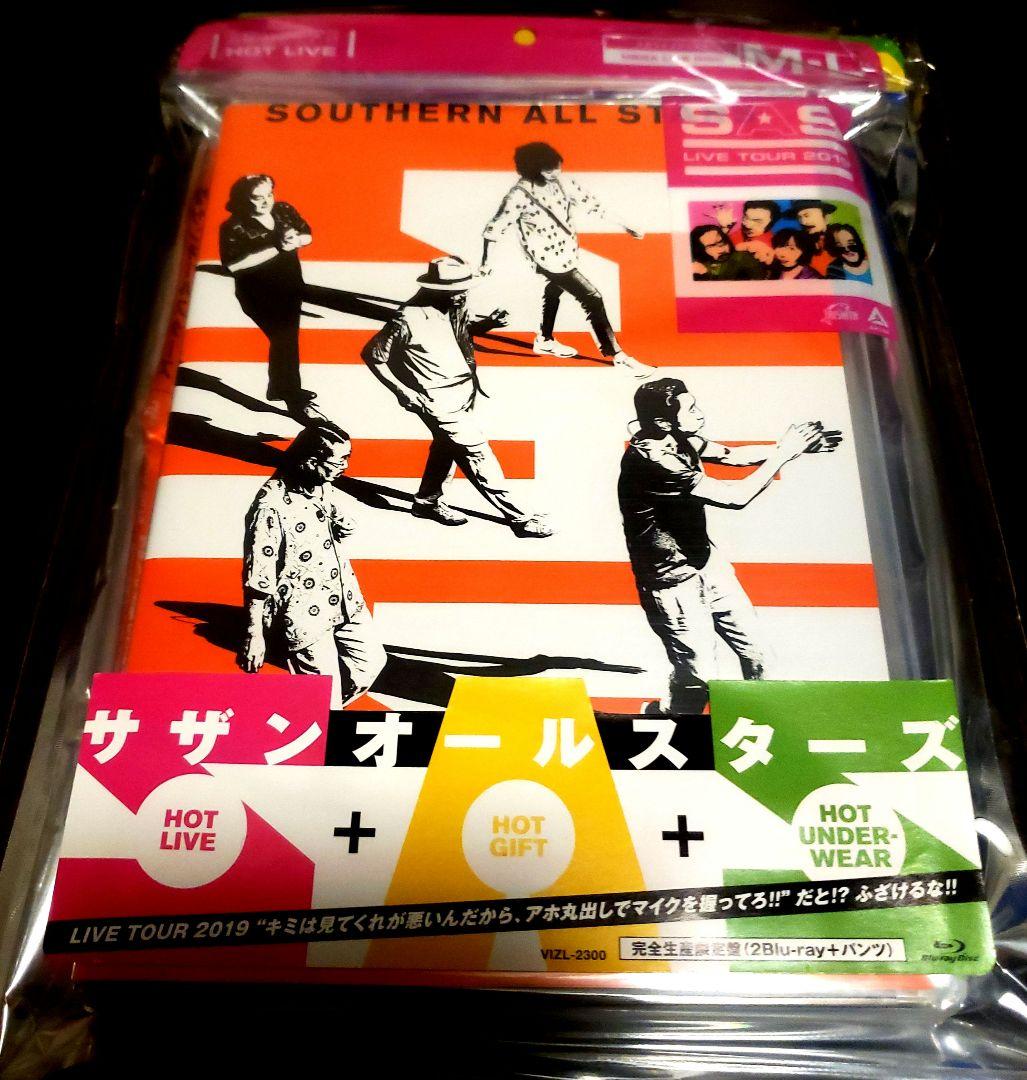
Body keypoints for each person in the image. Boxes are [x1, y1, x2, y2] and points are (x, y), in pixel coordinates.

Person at [618, 377, 842, 713]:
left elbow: (733, 456)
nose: (699, 413)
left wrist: (794, 448)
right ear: (663, 422)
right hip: (671, 582)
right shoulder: (654, 460)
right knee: (700, 678)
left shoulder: (680, 438)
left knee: (760, 656)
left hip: (707, 563)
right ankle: (668, 717)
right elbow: (735, 497)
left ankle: (758, 725)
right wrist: (784, 454)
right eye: (690, 409)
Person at [361, 256, 553, 538]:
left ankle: (427, 502)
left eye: (464, 289)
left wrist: (488, 324)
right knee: (476, 453)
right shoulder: (407, 318)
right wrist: (403, 392)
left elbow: (458, 334)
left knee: (446, 447)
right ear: (435, 290)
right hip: (436, 400)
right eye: (456, 290)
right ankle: (521, 518)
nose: (463, 295)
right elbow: (373, 355)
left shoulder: (454, 306)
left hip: (464, 392)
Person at [240, 422, 387, 709]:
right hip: (302, 614)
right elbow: (259, 574)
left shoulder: (321, 484)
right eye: (339, 460)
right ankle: (319, 716)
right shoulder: (271, 506)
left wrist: (340, 522)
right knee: (324, 696)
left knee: (369, 664)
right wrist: (254, 634)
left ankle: (315, 711)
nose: (345, 466)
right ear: (310, 461)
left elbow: (332, 519)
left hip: (345, 600)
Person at [479, 141, 652, 377]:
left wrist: (626, 225)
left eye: (557, 166)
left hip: (568, 251)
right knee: (592, 298)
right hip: (545, 257)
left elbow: (595, 206)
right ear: (533, 168)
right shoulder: (518, 195)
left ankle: (544, 339)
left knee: (553, 291)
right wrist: (486, 262)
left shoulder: (564, 183)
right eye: (548, 169)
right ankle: (618, 356)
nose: (556, 172)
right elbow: (494, 229)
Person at [219, 174, 319, 419]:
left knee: (285, 339)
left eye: (269, 194)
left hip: (290, 289)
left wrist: (297, 239)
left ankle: (278, 388)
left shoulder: (283, 211)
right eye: (257, 198)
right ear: (244, 199)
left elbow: (307, 234)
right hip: (258, 295)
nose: (266, 202)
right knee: (284, 339)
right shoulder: (233, 226)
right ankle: (292, 395)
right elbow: (233, 265)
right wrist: (277, 247)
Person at [690, 225, 771, 281]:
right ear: (701, 250)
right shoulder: (698, 266)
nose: (720, 249)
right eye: (711, 246)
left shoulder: (742, 258)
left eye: (721, 242)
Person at [791, 199, 837, 276]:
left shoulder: (840, 238)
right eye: (799, 217)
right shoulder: (798, 243)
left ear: (826, 218)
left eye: (807, 215)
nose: (803, 222)